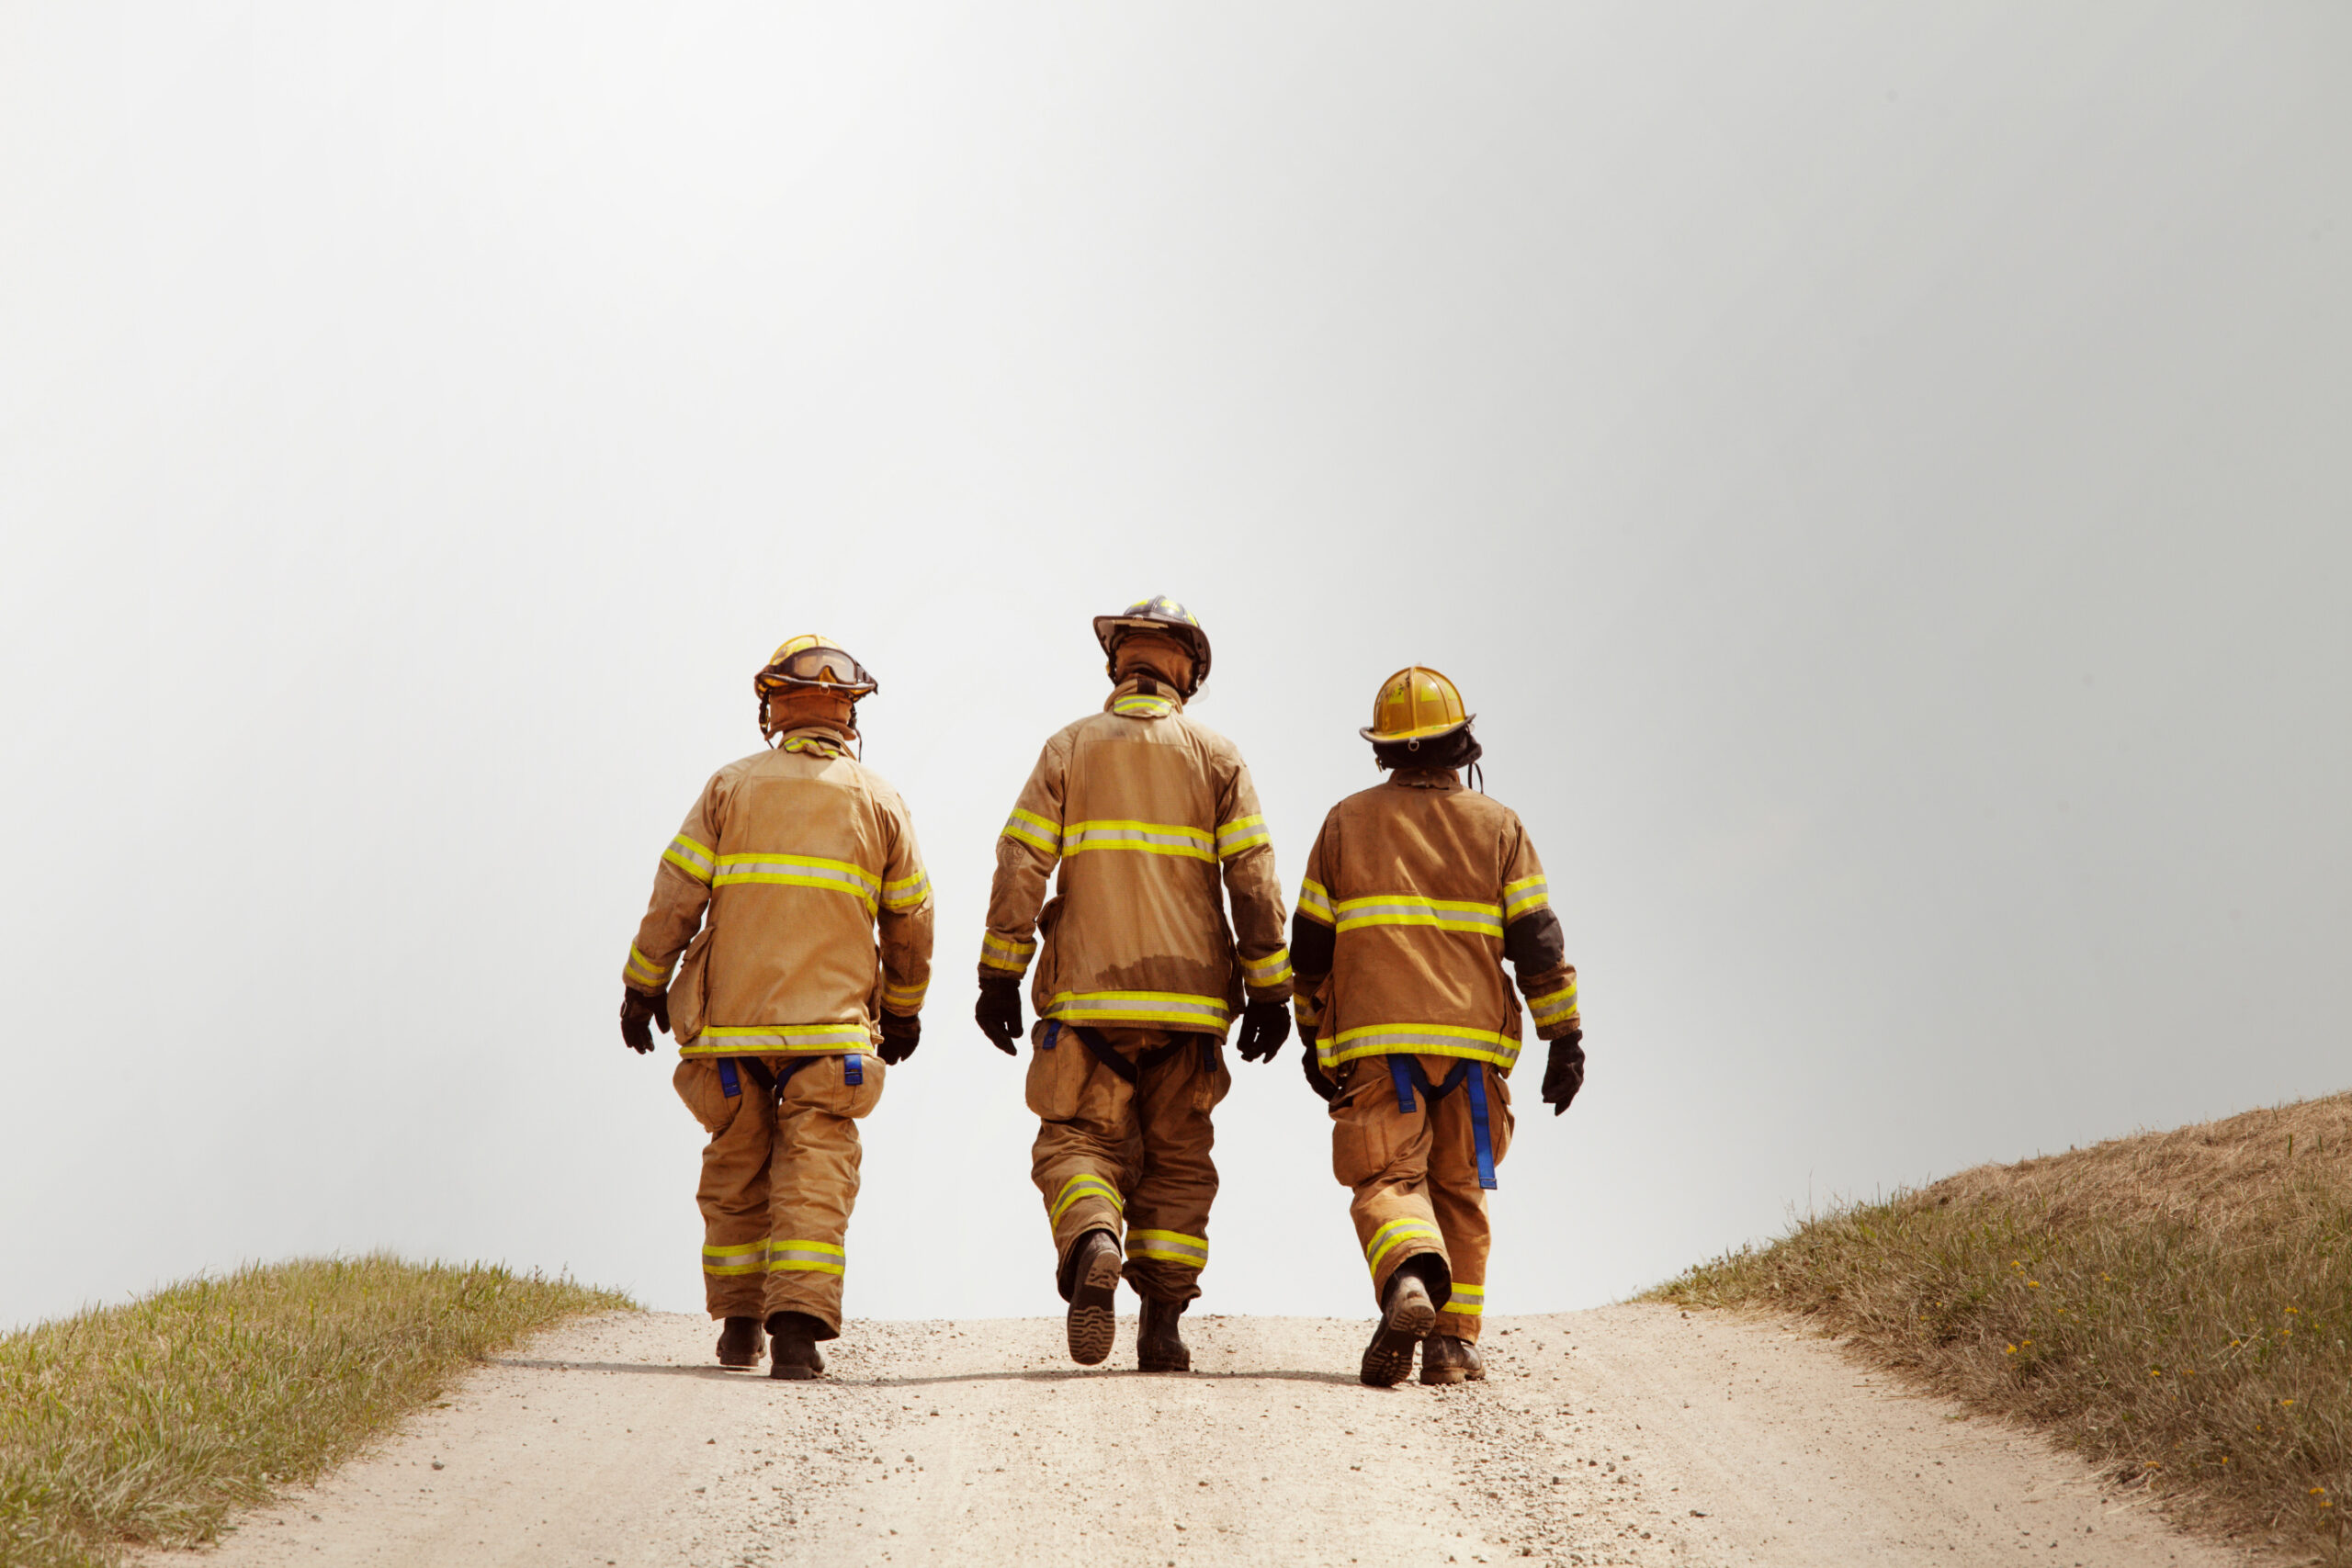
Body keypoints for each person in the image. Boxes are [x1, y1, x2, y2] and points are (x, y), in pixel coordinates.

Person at [976, 596, 1293, 1371]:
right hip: (1191, 1008)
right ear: (1188, 669)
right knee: (1180, 1161)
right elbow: (1253, 879)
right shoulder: (1218, 755)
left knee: (1077, 1138)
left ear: (1120, 662)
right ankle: (1162, 1328)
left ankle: (1093, 1236)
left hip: (1087, 1004)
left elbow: (1021, 861)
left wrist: (999, 970)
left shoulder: (1070, 747)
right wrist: (1271, 988)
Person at [618, 634, 933, 1380]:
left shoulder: (729, 787)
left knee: (736, 1170)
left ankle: (737, 1327)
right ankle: (795, 1332)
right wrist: (906, 1006)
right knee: (815, 1171)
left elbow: (677, 894)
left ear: (774, 707)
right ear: (848, 712)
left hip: (732, 1036)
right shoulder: (881, 799)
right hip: (832, 1036)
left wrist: (642, 984)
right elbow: (913, 915)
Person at [1289, 665, 1585, 1387]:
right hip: (1474, 1053)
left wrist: (1309, 1029)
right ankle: (1453, 1346)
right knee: (1460, 1187)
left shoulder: (1344, 821)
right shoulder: (1501, 827)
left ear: (1384, 749)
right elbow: (1538, 944)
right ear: (1463, 745)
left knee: (1388, 1175)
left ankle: (1410, 1278)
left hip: (1375, 1043)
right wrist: (1564, 1035)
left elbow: (1309, 947)